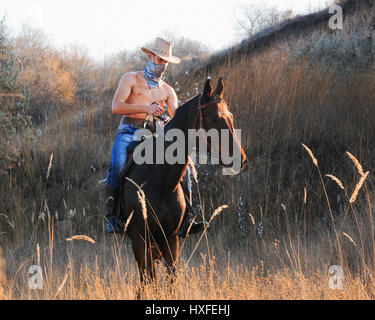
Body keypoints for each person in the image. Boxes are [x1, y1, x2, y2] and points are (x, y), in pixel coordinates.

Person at [104, 37, 205, 236]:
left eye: (165, 61)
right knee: (116, 165)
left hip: (152, 135)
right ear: (150, 56)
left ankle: (187, 218)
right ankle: (112, 217)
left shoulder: (167, 90)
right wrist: (146, 107)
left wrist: (169, 121)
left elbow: (176, 115)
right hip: (128, 132)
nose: (162, 64)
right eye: (159, 59)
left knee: (180, 166)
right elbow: (116, 107)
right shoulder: (131, 78)